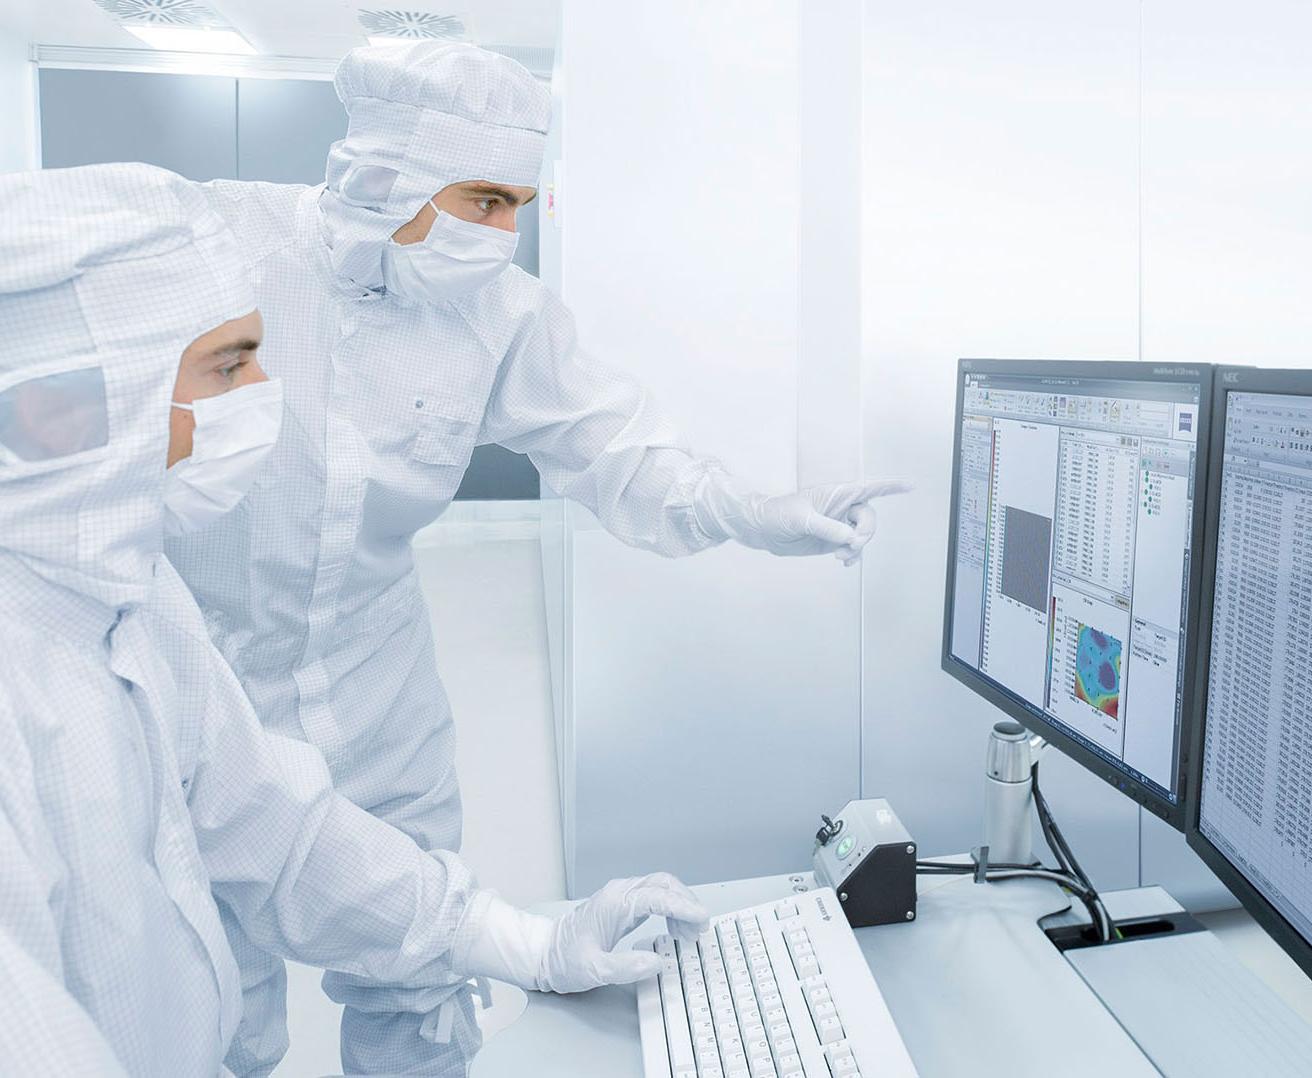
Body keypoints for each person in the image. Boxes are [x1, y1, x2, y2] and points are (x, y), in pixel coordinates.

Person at [167, 40, 910, 1076]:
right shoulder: (214, 254)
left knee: (420, 993)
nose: (505, 233)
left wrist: (756, 509)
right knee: (211, 1014)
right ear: (386, 174)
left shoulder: (498, 317)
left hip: (384, 709)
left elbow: (619, 452)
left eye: (520, 201)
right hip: (205, 706)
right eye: (483, 198)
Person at [0, 162, 708, 1075]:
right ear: (62, 410)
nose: (265, 391)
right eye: (229, 364)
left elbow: (277, 831)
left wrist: (532, 944)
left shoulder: (123, 600)